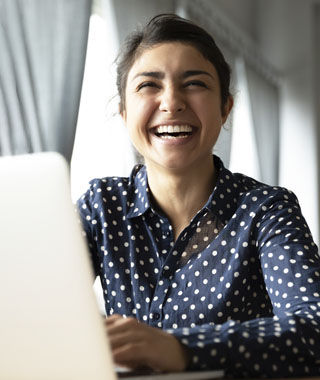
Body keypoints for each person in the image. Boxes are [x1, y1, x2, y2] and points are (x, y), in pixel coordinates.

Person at [77, 13, 320, 378]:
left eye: (194, 84)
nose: (171, 102)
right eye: (148, 86)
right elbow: (37, 306)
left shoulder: (267, 210)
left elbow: (312, 327)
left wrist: (182, 348)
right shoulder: (101, 205)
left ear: (226, 109)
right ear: (124, 113)